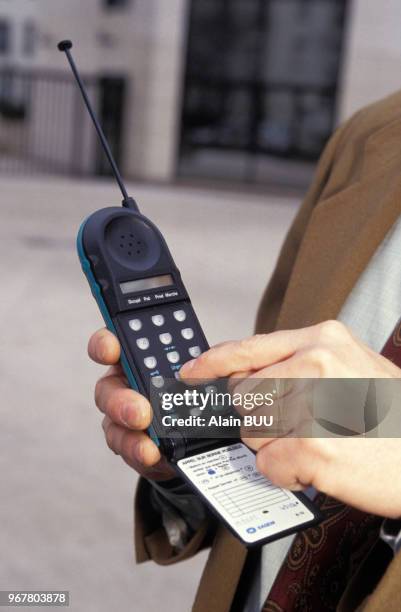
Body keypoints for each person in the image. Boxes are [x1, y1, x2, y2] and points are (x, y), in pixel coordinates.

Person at [88, 89, 401, 612]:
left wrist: (388, 423)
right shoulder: (368, 136)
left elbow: (378, 428)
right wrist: (188, 464)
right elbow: (270, 414)